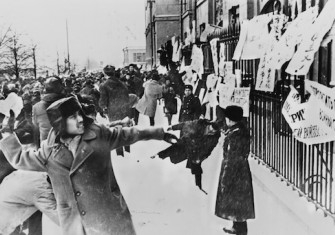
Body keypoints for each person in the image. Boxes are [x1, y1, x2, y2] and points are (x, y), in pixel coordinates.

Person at [0, 96, 178, 235]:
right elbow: (19, 159)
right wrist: (8, 134)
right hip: (76, 224)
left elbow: (128, 134)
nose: (79, 120)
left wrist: (160, 133)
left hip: (107, 216)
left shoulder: (98, 135)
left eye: (79, 114)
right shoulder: (49, 151)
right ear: (60, 123)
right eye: (72, 117)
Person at [215, 105, 255, 235]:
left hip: (234, 171)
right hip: (241, 170)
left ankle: (240, 230)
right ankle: (237, 227)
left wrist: (226, 177)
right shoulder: (240, 130)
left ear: (230, 119)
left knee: (236, 199)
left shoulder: (235, 134)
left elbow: (232, 156)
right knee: (239, 201)